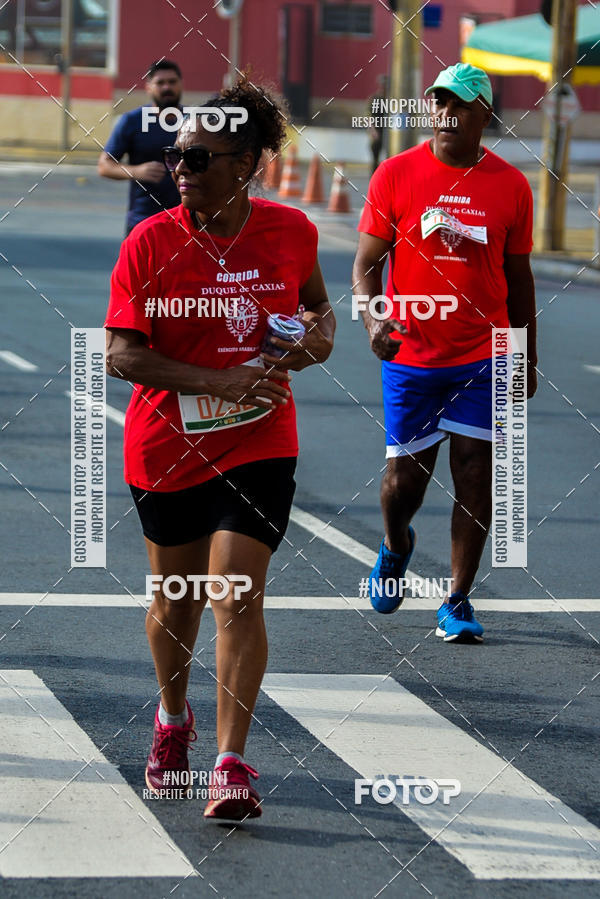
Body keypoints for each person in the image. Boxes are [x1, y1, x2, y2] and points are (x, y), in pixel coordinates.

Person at [104, 75, 335, 821]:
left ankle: (233, 762)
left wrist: (314, 342)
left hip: (258, 441)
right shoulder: (150, 242)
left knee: (237, 591)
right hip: (166, 444)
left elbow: (318, 313)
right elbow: (122, 356)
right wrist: (218, 380)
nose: (180, 170)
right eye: (176, 156)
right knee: (178, 601)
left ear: (245, 164)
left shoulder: (292, 231)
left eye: (198, 158)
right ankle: (174, 717)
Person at [352, 63, 537, 643]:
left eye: (459, 104)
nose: (445, 113)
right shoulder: (396, 174)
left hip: (484, 356)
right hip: (412, 354)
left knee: (476, 473)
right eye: (438, 102)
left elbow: (520, 278)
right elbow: (365, 265)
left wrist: (525, 352)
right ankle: (395, 543)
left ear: (485, 113)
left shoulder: (511, 185)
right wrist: (374, 317)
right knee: (403, 482)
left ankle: (457, 598)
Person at [98, 59, 184, 235]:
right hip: (143, 221)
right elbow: (104, 166)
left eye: (172, 82)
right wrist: (136, 171)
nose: (167, 87)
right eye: (160, 83)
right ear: (149, 87)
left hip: (185, 219)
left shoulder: (195, 121)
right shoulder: (132, 121)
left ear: (181, 85)